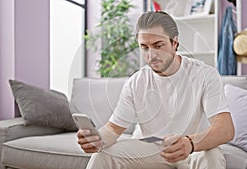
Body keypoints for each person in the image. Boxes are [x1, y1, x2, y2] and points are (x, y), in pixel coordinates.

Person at [77, 11, 234, 169]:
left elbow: (226, 129)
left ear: (175, 43)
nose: (151, 55)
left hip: (194, 148)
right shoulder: (136, 82)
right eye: (144, 47)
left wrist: (190, 143)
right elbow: (113, 128)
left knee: (211, 155)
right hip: (153, 150)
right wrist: (97, 140)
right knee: (103, 155)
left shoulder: (204, 74)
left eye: (158, 46)